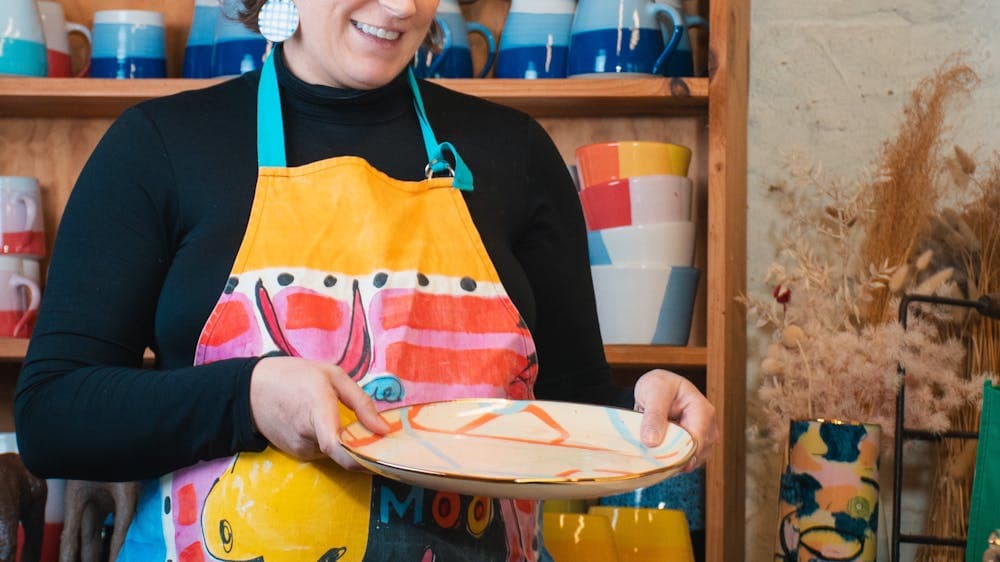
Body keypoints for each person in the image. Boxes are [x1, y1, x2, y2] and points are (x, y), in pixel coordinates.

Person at [14, 0, 719, 560]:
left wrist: (641, 410)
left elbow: (569, 405)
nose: (402, 6)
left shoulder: (518, 155)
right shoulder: (160, 147)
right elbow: (53, 414)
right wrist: (250, 396)